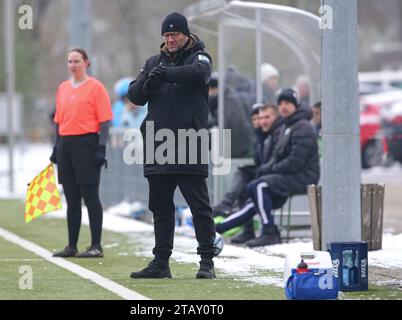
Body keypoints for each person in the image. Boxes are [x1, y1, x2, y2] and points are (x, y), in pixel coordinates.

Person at [127, 12, 216, 279]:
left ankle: (207, 262)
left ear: (186, 35)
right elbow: (135, 95)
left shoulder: (200, 57)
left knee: (199, 206)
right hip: (158, 144)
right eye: (166, 35)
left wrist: (166, 74)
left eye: (175, 34)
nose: (170, 39)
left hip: (190, 142)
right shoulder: (154, 61)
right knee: (160, 207)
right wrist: (147, 81)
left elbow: (199, 74)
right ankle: (161, 263)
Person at [50, 48, 113, 258]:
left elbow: (104, 121)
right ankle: (71, 245)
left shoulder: (96, 88)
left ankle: (96, 246)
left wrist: (101, 148)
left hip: (86, 143)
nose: (72, 65)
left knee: (90, 195)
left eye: (76, 61)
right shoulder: (63, 88)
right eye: (69, 61)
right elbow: (58, 122)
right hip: (66, 144)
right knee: (71, 197)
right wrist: (56, 147)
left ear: (86, 63)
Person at [244, 89, 320, 247]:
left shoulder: (303, 127)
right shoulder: (288, 125)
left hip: (303, 176)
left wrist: (271, 170)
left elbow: (295, 162)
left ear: (295, 105)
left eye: (287, 103)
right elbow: (277, 156)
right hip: (291, 174)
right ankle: (267, 230)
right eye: (280, 103)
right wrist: (266, 169)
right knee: (254, 184)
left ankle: (269, 231)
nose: (283, 106)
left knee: (260, 185)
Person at [215, 104, 285, 244]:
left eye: (263, 118)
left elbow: (273, 162)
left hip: (276, 178)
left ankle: (220, 224)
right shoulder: (261, 136)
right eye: (255, 119)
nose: (259, 122)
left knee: (252, 186)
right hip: (267, 174)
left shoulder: (274, 134)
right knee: (243, 176)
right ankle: (247, 229)